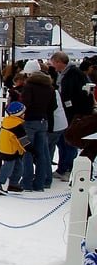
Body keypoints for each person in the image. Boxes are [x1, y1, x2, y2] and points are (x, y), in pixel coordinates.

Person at [49, 50, 94, 180]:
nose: (53, 66)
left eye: (54, 63)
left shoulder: (73, 74)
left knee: (69, 142)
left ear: (59, 62)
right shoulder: (66, 74)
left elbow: (76, 94)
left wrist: (71, 108)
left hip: (72, 114)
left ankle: (68, 168)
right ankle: (62, 167)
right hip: (67, 112)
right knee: (62, 142)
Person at [18, 58, 56, 192]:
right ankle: (40, 183)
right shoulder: (50, 87)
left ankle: (27, 182)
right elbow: (53, 106)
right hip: (43, 121)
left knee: (26, 151)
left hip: (29, 122)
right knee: (41, 154)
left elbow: (26, 104)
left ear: (29, 73)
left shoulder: (29, 86)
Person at [0, 101, 29, 195]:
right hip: (9, 151)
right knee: (7, 169)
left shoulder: (9, 121)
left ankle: (13, 184)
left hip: (12, 149)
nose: (25, 114)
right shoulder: (16, 125)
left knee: (19, 167)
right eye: (23, 113)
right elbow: (23, 141)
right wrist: (32, 150)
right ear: (18, 114)